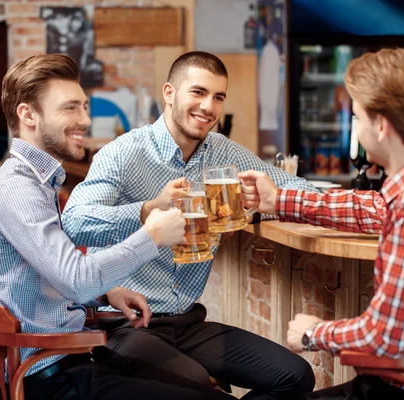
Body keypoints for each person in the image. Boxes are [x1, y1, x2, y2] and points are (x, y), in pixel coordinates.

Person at [0, 53, 236, 400]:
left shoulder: (36, 182)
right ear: (28, 115)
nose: (84, 119)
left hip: (72, 359)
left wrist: (105, 293)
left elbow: (47, 279)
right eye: (70, 108)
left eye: (84, 107)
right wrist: (152, 236)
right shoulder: (17, 190)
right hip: (51, 376)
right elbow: (77, 280)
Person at [238, 48, 404, 400]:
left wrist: (313, 332)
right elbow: (371, 208)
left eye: (357, 117)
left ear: (380, 125)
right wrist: (279, 200)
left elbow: (385, 336)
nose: (354, 126)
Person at [62, 51, 317, 399]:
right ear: (169, 93)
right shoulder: (124, 154)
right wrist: (148, 210)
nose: (208, 107)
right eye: (198, 92)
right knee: (198, 386)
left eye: (218, 97)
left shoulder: (224, 153)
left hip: (188, 321)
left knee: (296, 375)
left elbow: (300, 189)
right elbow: (75, 221)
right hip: (127, 324)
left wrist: (257, 207)